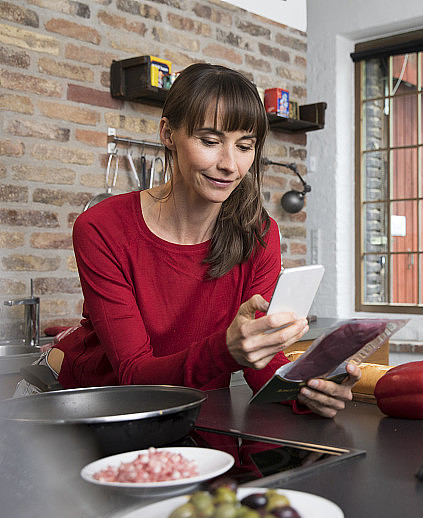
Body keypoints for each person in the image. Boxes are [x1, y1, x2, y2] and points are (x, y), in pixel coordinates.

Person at [18, 63, 359, 418]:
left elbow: (257, 356)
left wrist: (304, 390)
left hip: (181, 405)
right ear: (168, 133)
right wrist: (227, 350)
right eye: (210, 141)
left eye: (245, 146)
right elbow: (135, 374)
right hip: (77, 399)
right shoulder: (103, 227)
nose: (229, 164)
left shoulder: (258, 233)